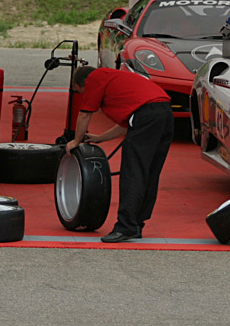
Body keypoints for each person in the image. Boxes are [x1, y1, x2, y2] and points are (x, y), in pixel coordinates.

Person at [65, 66, 174, 242]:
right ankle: (137, 224)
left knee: (132, 174)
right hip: (165, 114)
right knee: (149, 173)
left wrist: (75, 141)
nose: (85, 96)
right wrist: (100, 138)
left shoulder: (95, 77)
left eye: (81, 92)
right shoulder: (115, 79)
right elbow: (127, 125)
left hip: (146, 116)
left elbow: (85, 114)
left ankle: (126, 226)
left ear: (83, 83)